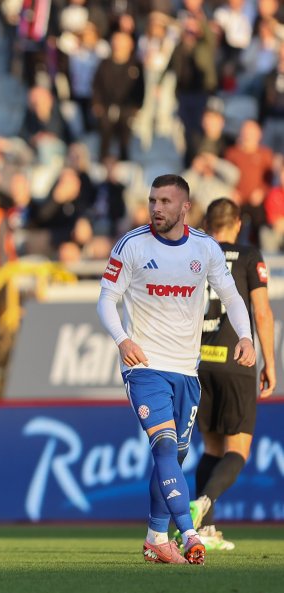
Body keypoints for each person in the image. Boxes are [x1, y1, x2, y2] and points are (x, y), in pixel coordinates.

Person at [97, 174, 256, 566]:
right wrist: (122, 339)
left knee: (175, 456)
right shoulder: (131, 244)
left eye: (166, 201)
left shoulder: (205, 248)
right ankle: (188, 533)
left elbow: (233, 296)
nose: (157, 208)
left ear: (185, 207)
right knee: (165, 446)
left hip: (188, 371)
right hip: (145, 365)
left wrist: (246, 336)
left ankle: (155, 538)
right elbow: (106, 300)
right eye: (153, 200)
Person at [192, 198, 276, 551]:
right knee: (238, 448)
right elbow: (261, 313)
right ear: (238, 224)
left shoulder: (195, 256)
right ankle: (203, 504)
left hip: (200, 362)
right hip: (236, 361)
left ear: (208, 223)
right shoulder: (248, 255)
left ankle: (204, 530)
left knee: (211, 447)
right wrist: (269, 362)